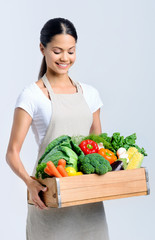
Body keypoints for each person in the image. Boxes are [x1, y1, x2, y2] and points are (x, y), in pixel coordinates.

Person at [6, 17, 110, 240]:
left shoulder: (90, 94)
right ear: (42, 48)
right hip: (49, 195)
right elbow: (12, 153)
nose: (65, 58)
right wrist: (30, 183)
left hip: (87, 198)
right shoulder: (31, 96)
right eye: (57, 51)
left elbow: (98, 144)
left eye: (71, 51)